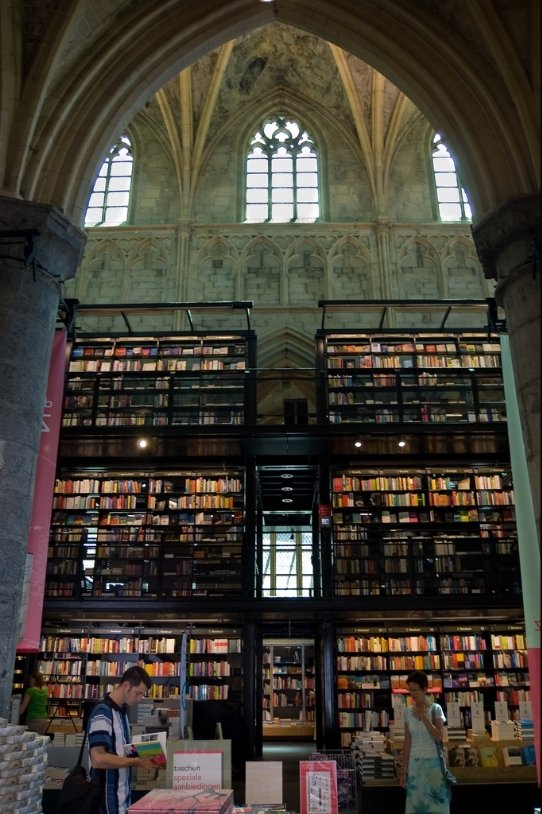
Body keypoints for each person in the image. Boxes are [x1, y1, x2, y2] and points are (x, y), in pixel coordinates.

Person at [88, 665, 157, 814]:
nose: (139, 699)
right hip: (106, 798)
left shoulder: (122, 712)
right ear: (126, 685)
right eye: (138, 693)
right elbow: (98, 759)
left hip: (121, 796)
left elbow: (120, 750)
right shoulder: (103, 712)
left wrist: (146, 752)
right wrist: (137, 761)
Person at [401, 670, 450, 814]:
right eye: (410, 690)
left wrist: (423, 717)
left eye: (415, 690)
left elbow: (439, 736)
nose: (412, 694)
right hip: (415, 764)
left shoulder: (436, 709)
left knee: (436, 805)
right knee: (416, 806)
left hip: (433, 763)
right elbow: (407, 742)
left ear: (425, 689)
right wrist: (404, 771)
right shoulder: (407, 712)